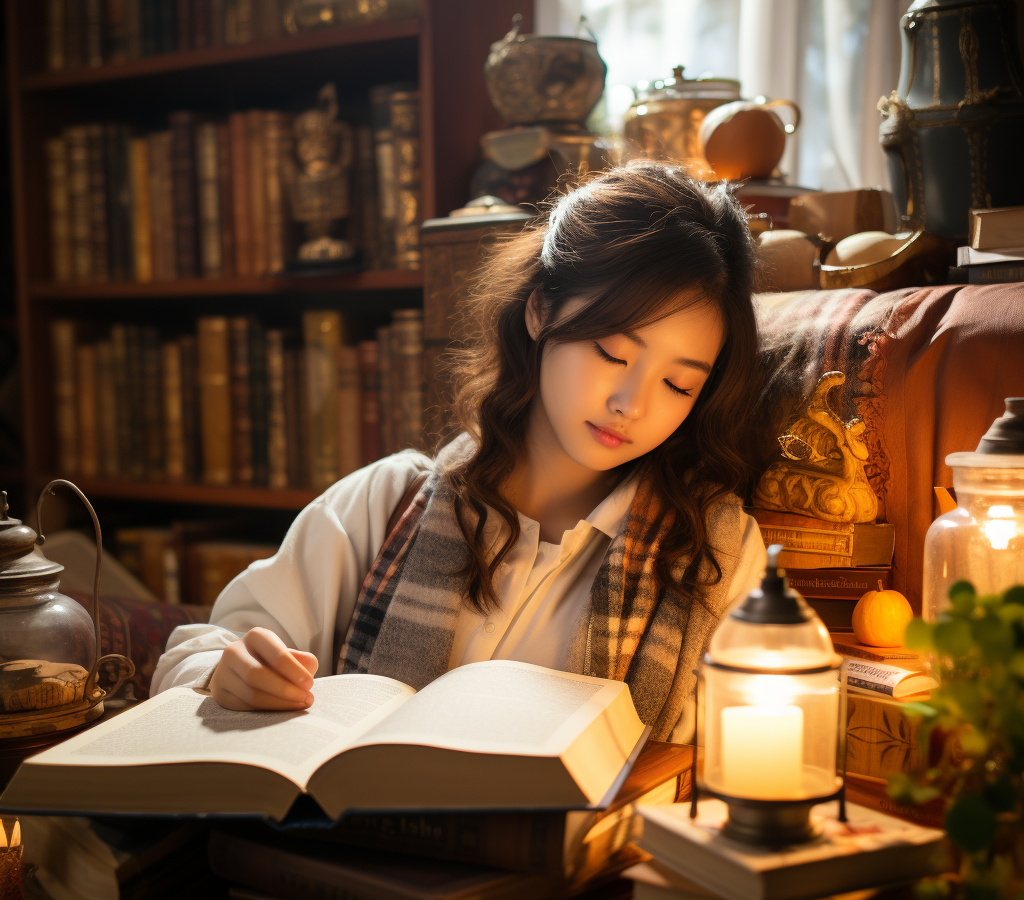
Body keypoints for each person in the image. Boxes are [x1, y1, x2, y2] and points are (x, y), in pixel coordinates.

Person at [151, 161, 767, 743]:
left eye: (678, 384)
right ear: (540, 309)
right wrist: (225, 674)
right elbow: (196, 651)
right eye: (612, 352)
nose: (632, 403)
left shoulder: (713, 557)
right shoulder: (387, 502)